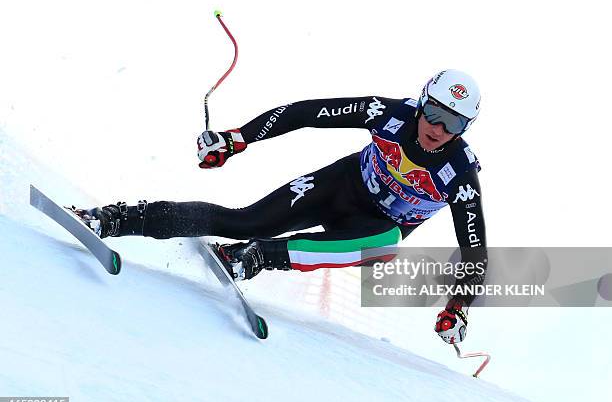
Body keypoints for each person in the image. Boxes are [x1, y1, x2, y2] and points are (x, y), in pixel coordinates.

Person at [77, 69, 486, 345]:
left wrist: (458, 307)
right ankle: (113, 219)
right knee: (243, 221)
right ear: (421, 103)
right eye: (433, 114)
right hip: (337, 187)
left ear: (464, 130)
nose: (438, 129)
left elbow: (475, 253)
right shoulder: (389, 113)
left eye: (454, 124)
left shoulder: (459, 173)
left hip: (369, 227)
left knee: (384, 247)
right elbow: (306, 112)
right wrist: (238, 138)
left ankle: (256, 257)